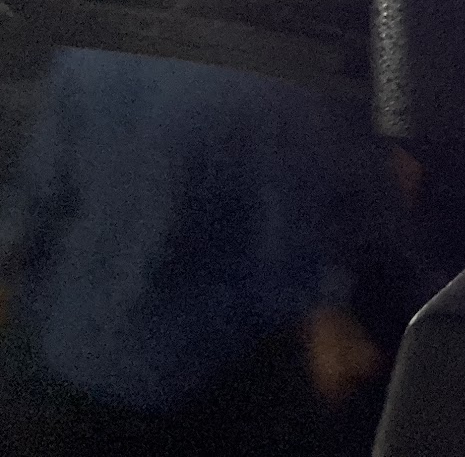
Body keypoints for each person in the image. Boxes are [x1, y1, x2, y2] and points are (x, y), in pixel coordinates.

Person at [0, 48, 396, 456]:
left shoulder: (89, 54)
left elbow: (39, 187)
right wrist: (329, 314)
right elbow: (291, 234)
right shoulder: (274, 78)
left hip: (61, 347)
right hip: (189, 376)